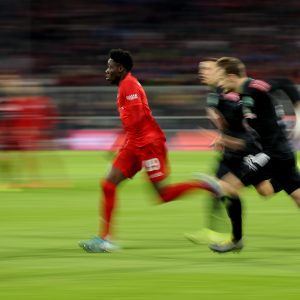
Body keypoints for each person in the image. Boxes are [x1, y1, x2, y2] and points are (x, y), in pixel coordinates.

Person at [78, 49, 224, 253]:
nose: (107, 70)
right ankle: (106, 239)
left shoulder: (129, 85)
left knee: (162, 195)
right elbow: (132, 122)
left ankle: (205, 185)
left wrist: (122, 139)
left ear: (120, 68)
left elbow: (137, 118)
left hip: (149, 145)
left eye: (110, 66)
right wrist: (121, 143)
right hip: (134, 143)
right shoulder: (124, 85)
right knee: (108, 183)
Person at [208, 57, 300, 252]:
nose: (221, 84)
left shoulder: (254, 87)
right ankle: (236, 240)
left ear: (232, 77)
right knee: (270, 191)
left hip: (272, 153)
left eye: (222, 79)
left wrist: (299, 115)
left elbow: (284, 83)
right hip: (277, 152)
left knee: (227, 185)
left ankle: (236, 240)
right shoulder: (240, 94)